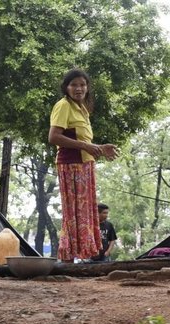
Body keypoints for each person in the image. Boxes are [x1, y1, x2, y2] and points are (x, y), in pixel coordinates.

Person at [48, 69, 118, 262]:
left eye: (82, 85)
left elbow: (86, 142)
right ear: (66, 87)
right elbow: (54, 137)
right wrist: (87, 146)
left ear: (87, 87)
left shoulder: (83, 109)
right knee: (73, 215)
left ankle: (78, 260)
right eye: (74, 85)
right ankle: (67, 260)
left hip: (85, 166)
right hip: (71, 165)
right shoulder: (63, 106)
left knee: (84, 215)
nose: (79, 88)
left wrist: (100, 149)